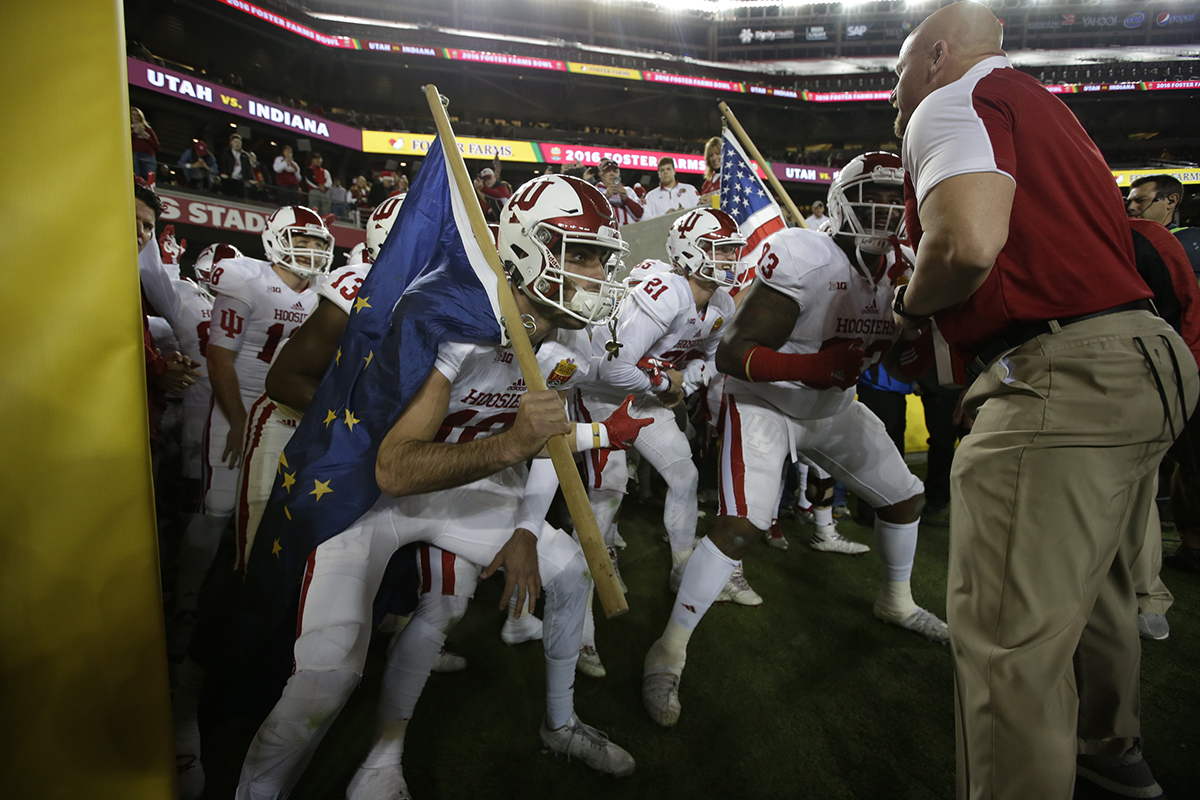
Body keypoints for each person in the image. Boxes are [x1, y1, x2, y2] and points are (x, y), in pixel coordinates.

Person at [236, 175, 646, 798]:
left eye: (599, 258)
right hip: (374, 498)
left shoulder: (570, 341)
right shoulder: (455, 318)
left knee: (568, 575)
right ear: (528, 249)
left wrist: (528, 531)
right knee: (330, 674)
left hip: (462, 488)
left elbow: (540, 441)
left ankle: (552, 724)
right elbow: (393, 469)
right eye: (579, 253)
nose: (593, 274)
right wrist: (510, 445)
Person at [889, 4, 1198, 798]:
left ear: (937, 54)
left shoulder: (952, 100)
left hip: (1068, 371)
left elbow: (964, 243)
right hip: (1144, 361)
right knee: (1100, 585)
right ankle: (1108, 746)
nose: (893, 97)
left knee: (1006, 642)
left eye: (897, 74)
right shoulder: (1049, 110)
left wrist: (910, 309)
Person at [641, 152, 947, 731]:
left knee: (905, 497)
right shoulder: (809, 256)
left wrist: (916, 346)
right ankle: (670, 647)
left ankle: (896, 600)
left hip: (831, 407)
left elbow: (903, 369)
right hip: (764, 401)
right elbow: (732, 352)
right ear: (841, 203)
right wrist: (811, 368)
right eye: (869, 197)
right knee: (740, 527)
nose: (882, 211)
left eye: (892, 198)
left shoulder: (908, 267)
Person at [574, 208, 757, 679]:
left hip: (643, 393)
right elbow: (611, 368)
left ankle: (681, 566)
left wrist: (683, 384)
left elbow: (710, 360)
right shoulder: (664, 292)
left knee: (684, 473)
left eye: (732, 250)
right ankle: (578, 626)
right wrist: (663, 380)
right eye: (720, 249)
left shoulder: (720, 303)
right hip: (601, 395)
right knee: (605, 494)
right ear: (689, 251)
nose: (730, 260)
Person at [168, 207, 333, 661]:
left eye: (320, 242)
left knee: (278, 512)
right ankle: (185, 603)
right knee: (218, 506)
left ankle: (266, 602)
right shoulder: (246, 282)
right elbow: (219, 360)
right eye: (303, 238)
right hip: (238, 402)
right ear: (275, 239)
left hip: (292, 410)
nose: (313, 249)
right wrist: (238, 419)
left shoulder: (325, 291)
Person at [1127, 173, 1200, 278]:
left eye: (1141, 200)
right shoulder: (1131, 240)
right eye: (1129, 202)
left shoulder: (1191, 239)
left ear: (1171, 200)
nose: (1131, 207)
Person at [596, 158, 644, 227]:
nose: (612, 174)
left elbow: (640, 214)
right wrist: (606, 196)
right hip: (605, 233)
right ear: (602, 175)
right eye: (608, 171)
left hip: (628, 232)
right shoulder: (596, 190)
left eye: (615, 171)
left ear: (619, 174)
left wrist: (626, 199)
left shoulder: (628, 190)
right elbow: (591, 212)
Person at [474, 157, 510, 222]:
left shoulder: (502, 188)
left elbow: (496, 194)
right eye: (485, 180)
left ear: (494, 177)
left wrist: (482, 188)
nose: (487, 181)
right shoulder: (490, 192)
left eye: (489, 178)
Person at [219, 133, 253, 199]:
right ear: (231, 143)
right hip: (229, 179)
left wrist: (251, 178)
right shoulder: (226, 153)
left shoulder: (244, 155)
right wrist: (223, 173)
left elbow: (248, 168)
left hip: (240, 180)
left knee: (241, 197)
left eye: (239, 142)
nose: (237, 144)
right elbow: (223, 163)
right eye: (235, 142)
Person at [131, 107, 160, 182]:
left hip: (148, 157)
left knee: (149, 180)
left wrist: (147, 137)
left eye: (137, 115)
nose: (135, 117)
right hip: (134, 155)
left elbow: (157, 146)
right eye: (133, 115)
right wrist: (134, 133)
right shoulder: (127, 128)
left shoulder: (148, 129)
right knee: (136, 179)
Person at [699, 136, 722, 203]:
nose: (714, 158)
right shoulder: (706, 183)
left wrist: (714, 199)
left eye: (717, 154)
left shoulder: (732, 177)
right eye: (711, 155)